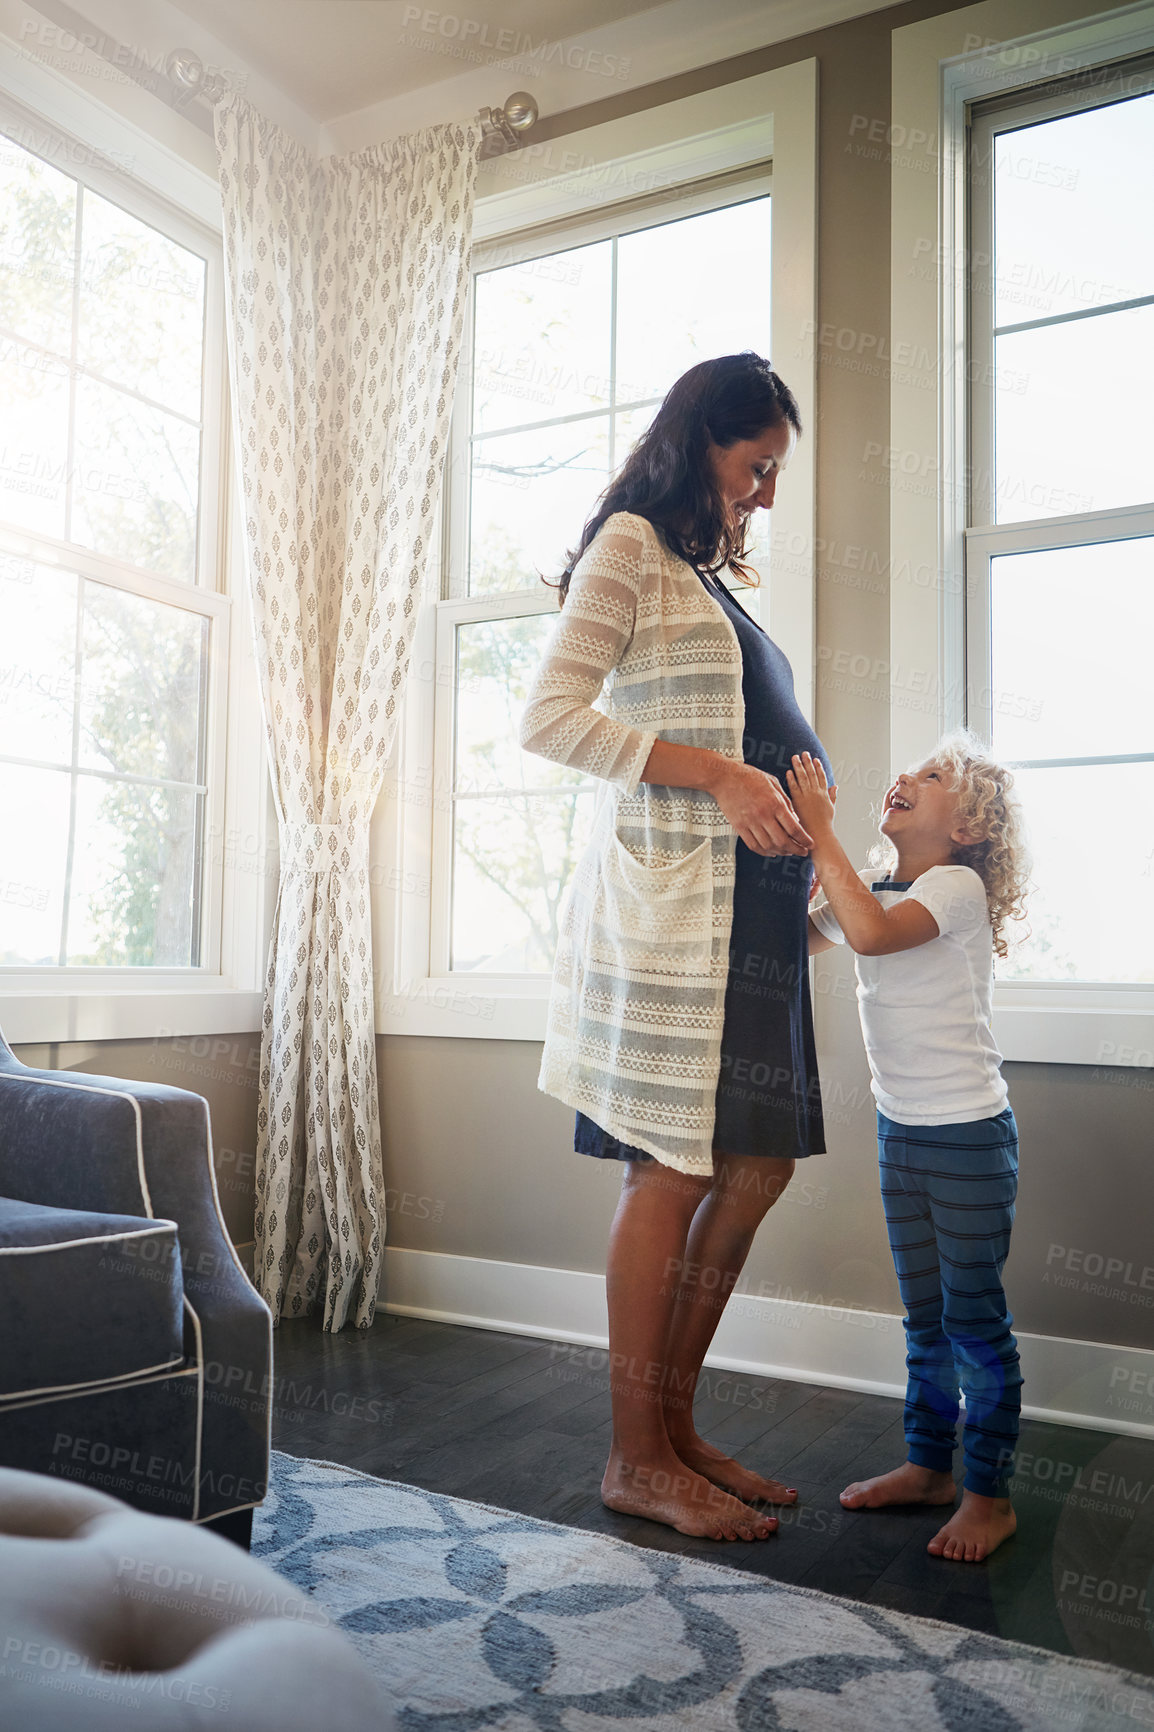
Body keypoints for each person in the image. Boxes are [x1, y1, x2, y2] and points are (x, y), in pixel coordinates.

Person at [519, 353, 832, 1542]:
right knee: (675, 1167)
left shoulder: (710, 576)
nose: (761, 493)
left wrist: (796, 897)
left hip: (752, 921)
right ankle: (632, 1456)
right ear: (704, 435)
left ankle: (674, 1425)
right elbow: (551, 717)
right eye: (755, 466)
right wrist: (719, 772)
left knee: (755, 1169)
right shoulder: (629, 551)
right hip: (675, 924)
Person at [788, 733, 1029, 1562]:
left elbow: (870, 938)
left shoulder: (954, 887)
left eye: (933, 778)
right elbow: (809, 935)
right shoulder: (883, 882)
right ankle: (930, 1466)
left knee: (972, 1321)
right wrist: (802, 858)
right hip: (903, 1131)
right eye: (911, 769)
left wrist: (822, 835)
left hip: (966, 1137)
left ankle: (988, 1496)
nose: (905, 777)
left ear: (967, 829)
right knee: (925, 1318)